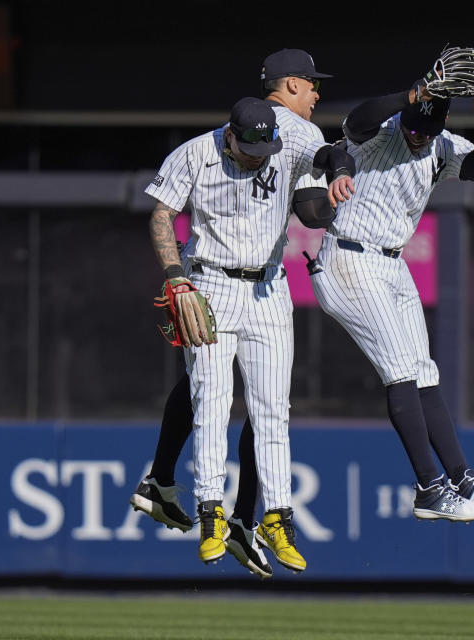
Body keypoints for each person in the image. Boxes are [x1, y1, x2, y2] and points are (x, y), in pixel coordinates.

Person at [140, 92, 354, 575]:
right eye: (251, 149)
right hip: (211, 282)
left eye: (268, 149)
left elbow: (332, 154)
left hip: (270, 285)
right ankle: (211, 510)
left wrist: (340, 172)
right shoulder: (196, 152)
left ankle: (276, 517)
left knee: (272, 410)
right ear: (230, 135)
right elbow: (160, 215)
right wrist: (177, 277)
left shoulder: (285, 146)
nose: (261, 158)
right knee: (212, 400)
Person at [307, 67, 474, 521]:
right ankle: (429, 489)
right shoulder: (381, 129)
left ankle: (463, 478)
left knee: (423, 373)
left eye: (426, 131)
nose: (417, 137)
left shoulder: (440, 144)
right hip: (350, 258)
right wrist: (414, 95)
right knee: (400, 373)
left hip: (392, 263)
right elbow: (358, 117)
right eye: (413, 127)